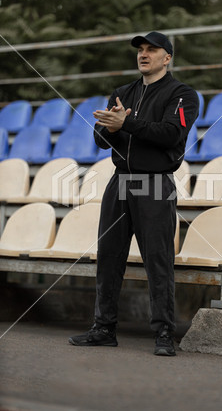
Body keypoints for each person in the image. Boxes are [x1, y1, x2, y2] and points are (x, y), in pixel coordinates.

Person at [69, 31, 199, 356]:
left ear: (167, 57)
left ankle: (165, 333)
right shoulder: (123, 92)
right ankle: (103, 328)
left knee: (158, 259)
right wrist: (112, 128)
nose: (144, 54)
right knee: (109, 256)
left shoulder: (182, 94)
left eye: (152, 50)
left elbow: (171, 134)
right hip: (120, 180)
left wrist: (126, 124)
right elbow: (100, 138)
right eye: (140, 50)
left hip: (155, 182)